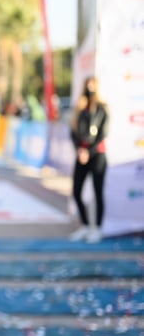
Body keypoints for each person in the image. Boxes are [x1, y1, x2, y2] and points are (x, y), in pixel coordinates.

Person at [68, 76, 109, 244]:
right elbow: (73, 132)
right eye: (87, 85)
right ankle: (85, 225)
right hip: (81, 154)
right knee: (76, 191)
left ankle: (97, 228)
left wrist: (89, 151)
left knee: (98, 192)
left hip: (97, 155)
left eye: (92, 85)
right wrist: (80, 149)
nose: (90, 88)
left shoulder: (102, 108)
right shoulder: (80, 108)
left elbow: (103, 134)